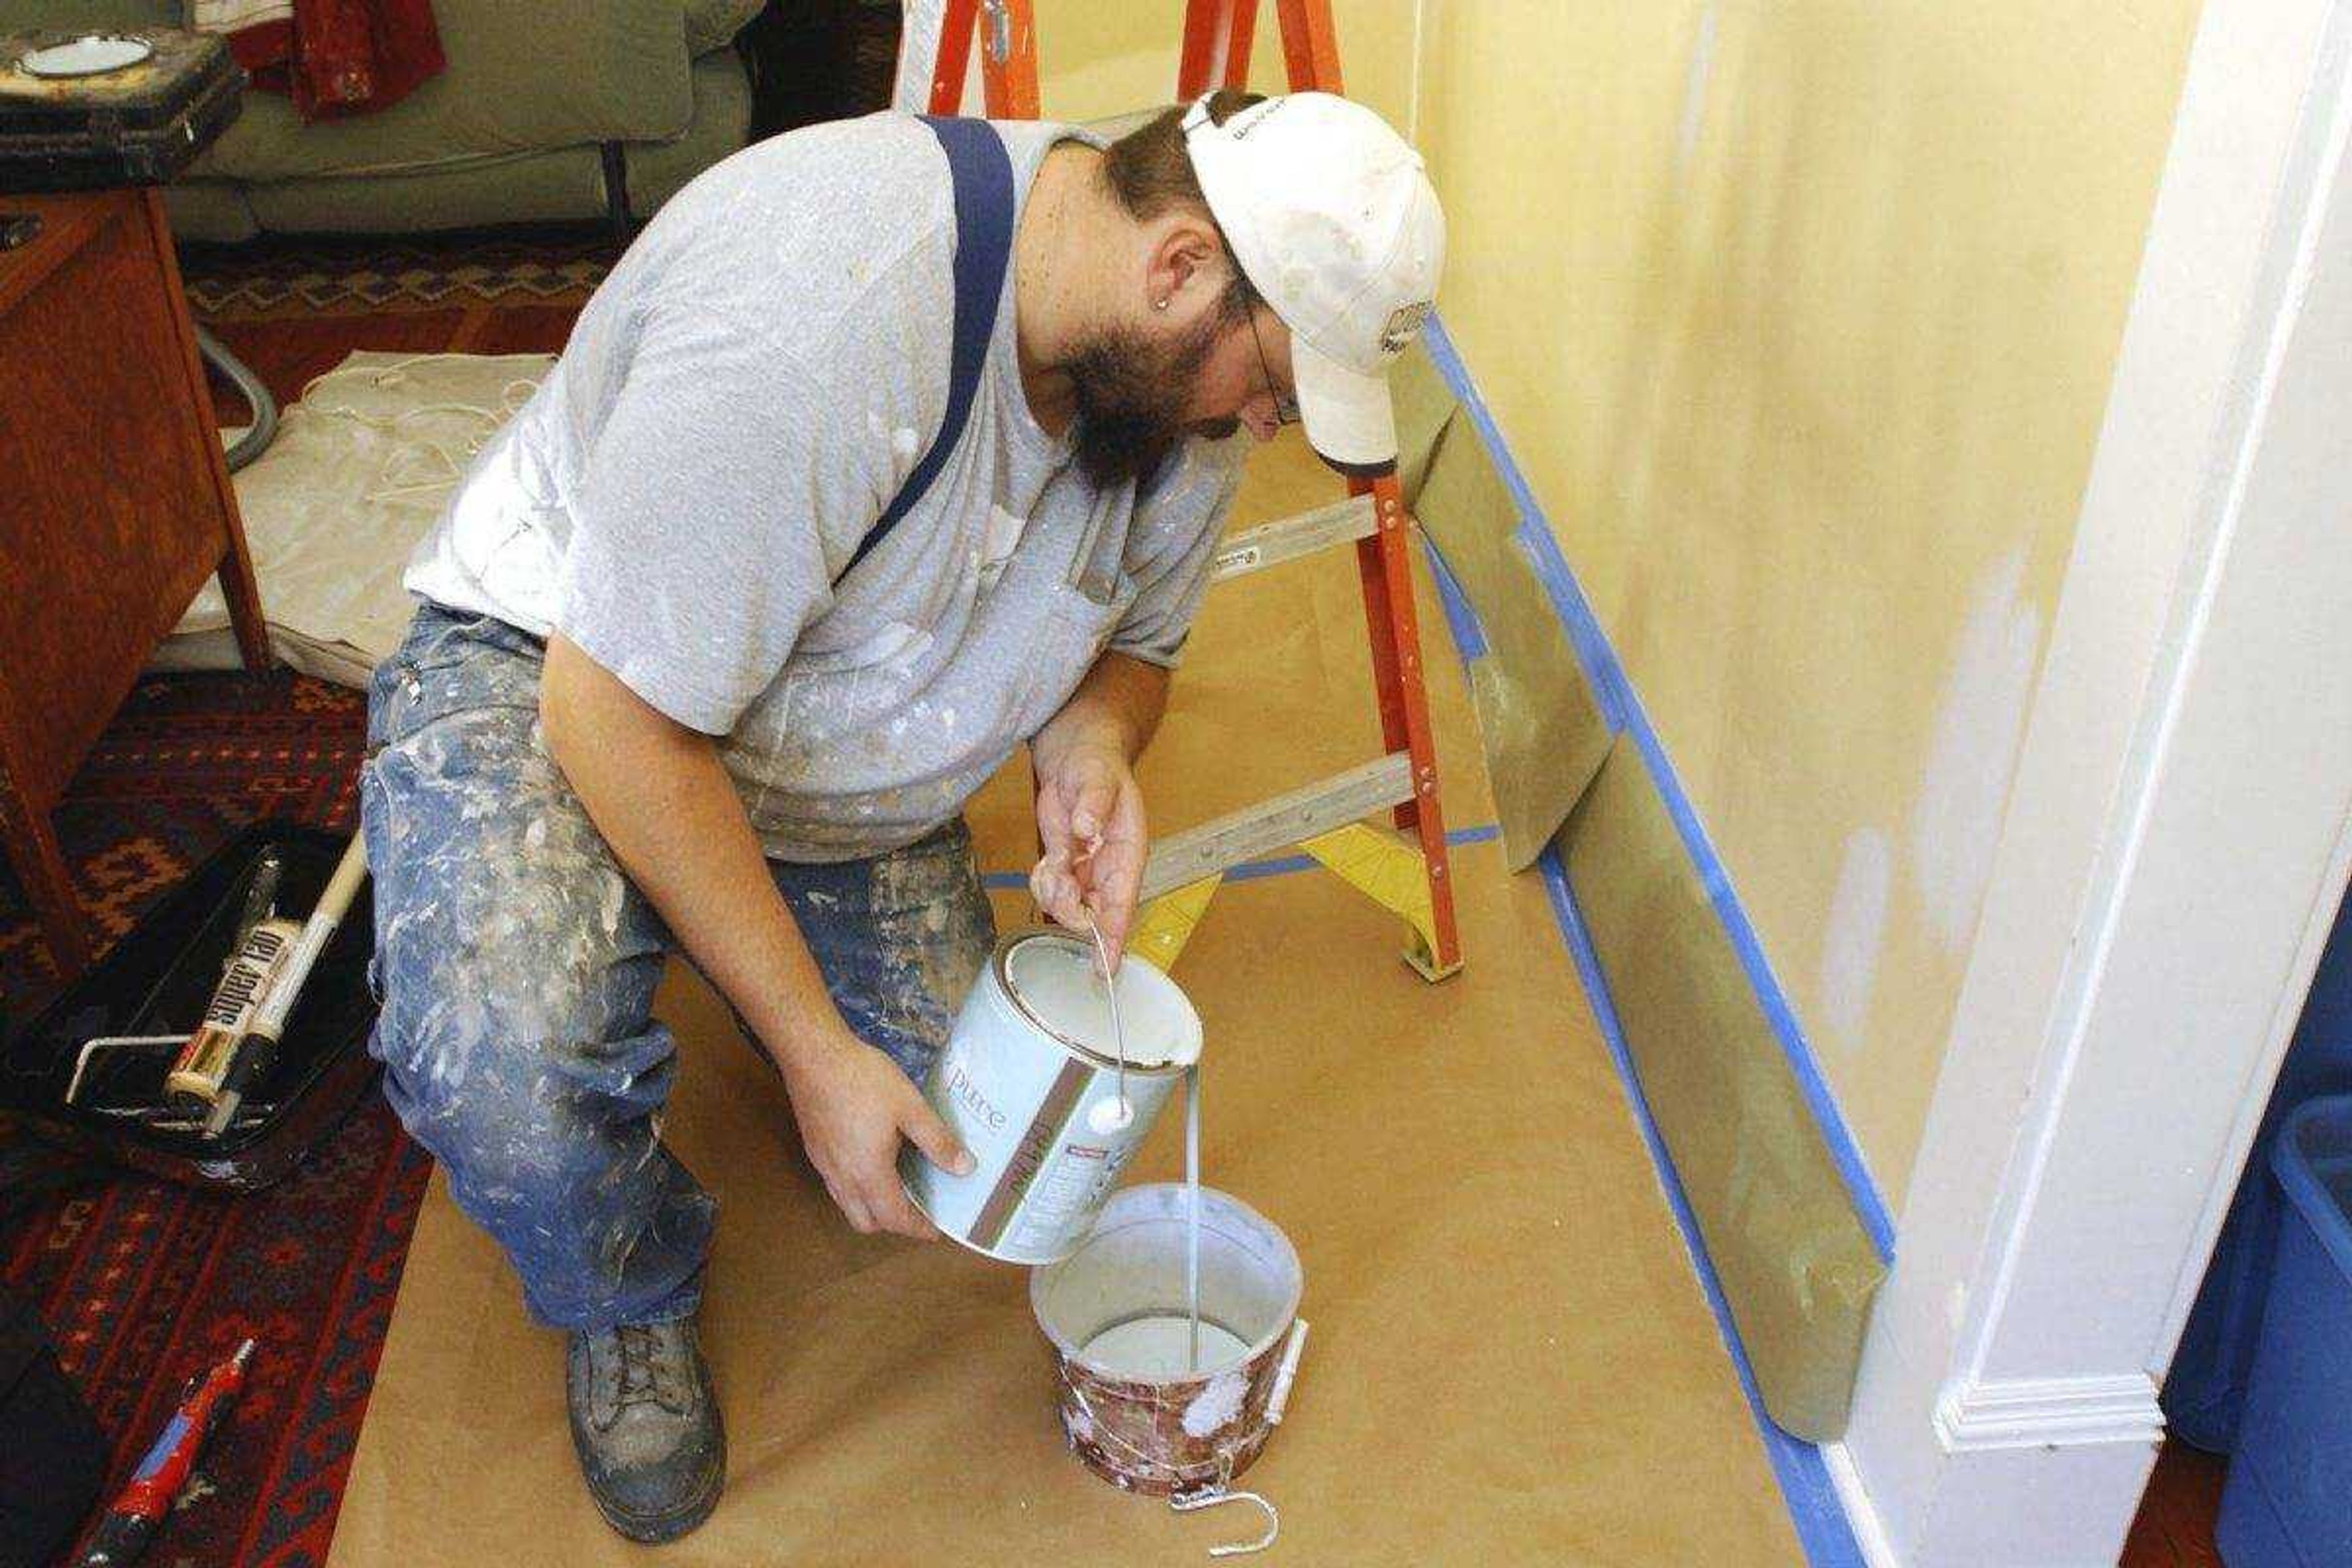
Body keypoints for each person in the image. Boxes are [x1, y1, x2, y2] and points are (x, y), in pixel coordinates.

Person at [361, 88, 1443, 1542]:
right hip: (566, 669)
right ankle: (627, 1286)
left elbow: (1143, 645)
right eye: (1271, 385)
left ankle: (747, 940)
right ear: (1181, 266)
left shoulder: (1162, 389)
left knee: (970, 1124)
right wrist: (811, 1047)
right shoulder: (820, 322)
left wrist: (1094, 745)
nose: (1263, 424)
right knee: (509, 1071)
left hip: (840, 732)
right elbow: (617, 716)